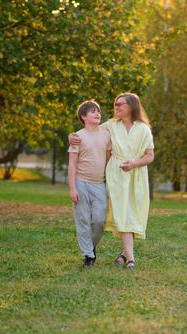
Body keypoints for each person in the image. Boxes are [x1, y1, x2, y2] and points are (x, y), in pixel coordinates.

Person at [69, 93, 154, 269]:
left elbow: (150, 156)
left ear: (131, 106)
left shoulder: (144, 129)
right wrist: (72, 137)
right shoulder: (111, 126)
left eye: (119, 104)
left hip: (135, 176)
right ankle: (126, 258)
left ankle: (124, 253)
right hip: (115, 176)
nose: (116, 107)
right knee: (123, 214)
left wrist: (134, 164)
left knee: (132, 214)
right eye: (115, 104)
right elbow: (91, 129)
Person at [68, 100, 112, 267]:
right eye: (93, 112)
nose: (97, 114)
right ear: (83, 117)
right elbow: (72, 163)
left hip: (99, 183)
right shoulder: (77, 137)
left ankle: (90, 247)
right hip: (80, 182)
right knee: (83, 219)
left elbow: (108, 161)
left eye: (98, 111)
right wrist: (73, 188)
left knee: (100, 219)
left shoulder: (106, 135)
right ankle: (88, 256)